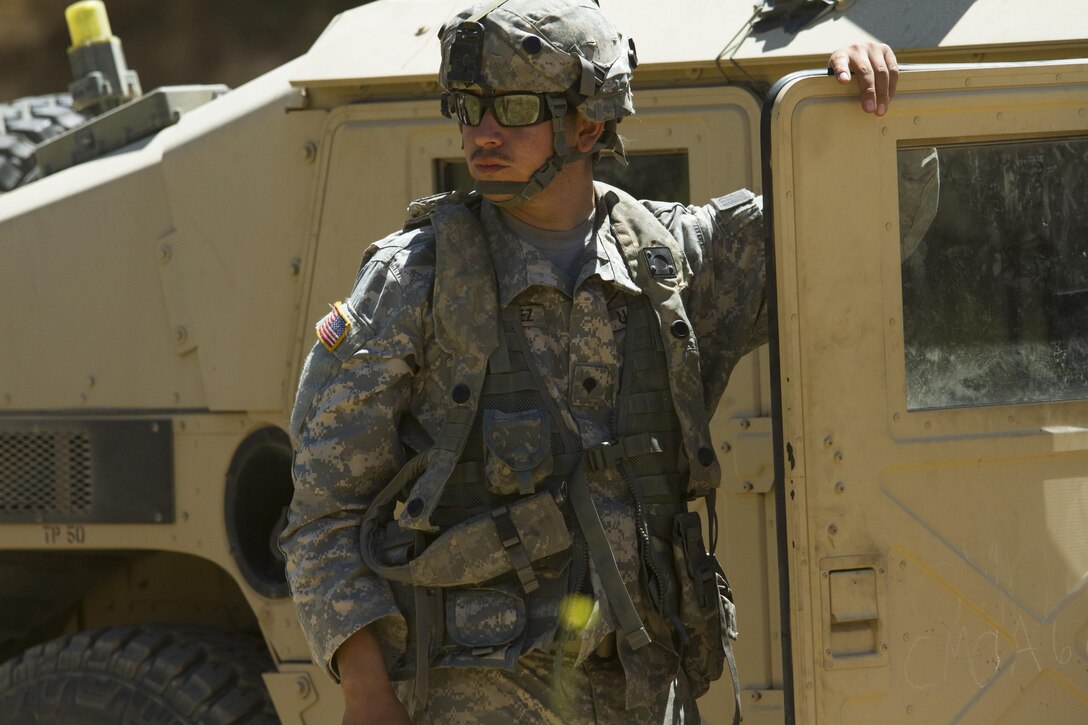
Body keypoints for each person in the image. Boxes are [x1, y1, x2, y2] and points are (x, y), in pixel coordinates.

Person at [279, 1, 898, 723]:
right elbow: (321, 509)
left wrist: (846, 111)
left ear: (588, 122)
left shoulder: (671, 260)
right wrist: (366, 690)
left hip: (649, 687)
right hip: (478, 695)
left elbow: (879, 218)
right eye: (467, 107)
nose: (482, 134)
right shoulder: (417, 280)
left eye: (511, 108)